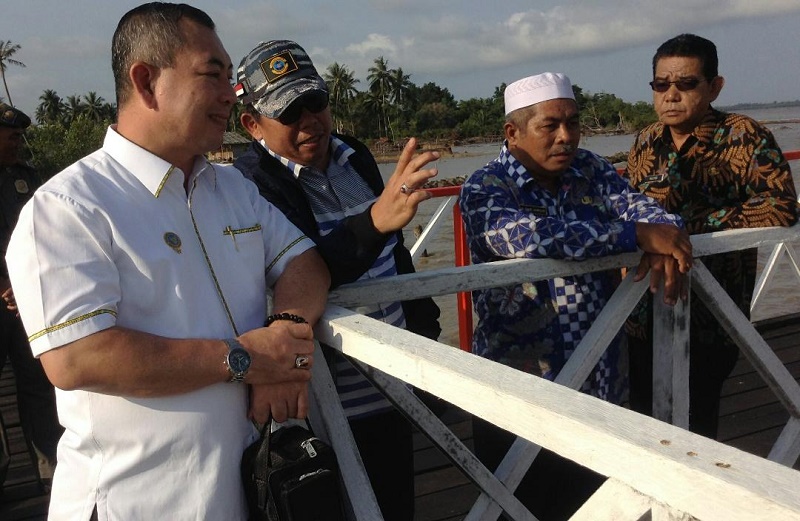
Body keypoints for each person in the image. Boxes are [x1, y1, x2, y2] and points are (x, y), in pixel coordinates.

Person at [5, 4, 330, 520]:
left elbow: (305, 263)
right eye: (212, 74)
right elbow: (77, 359)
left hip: (241, 495)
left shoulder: (232, 188)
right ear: (146, 82)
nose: (231, 93)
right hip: (136, 502)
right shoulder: (70, 208)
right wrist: (247, 359)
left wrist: (285, 334)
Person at [458, 72, 692, 520]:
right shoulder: (485, 186)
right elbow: (522, 236)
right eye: (550, 126)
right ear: (512, 132)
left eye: (573, 123)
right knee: (519, 506)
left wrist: (665, 234)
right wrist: (633, 236)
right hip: (521, 391)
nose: (566, 137)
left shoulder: (591, 170)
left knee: (602, 506)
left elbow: (643, 209)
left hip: (600, 385)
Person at [233, 39, 441, 521]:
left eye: (316, 102)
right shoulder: (251, 185)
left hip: (393, 380)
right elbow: (304, 274)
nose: (310, 121)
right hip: (322, 400)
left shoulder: (354, 156)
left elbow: (395, 252)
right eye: (289, 112)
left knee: (395, 506)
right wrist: (375, 221)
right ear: (252, 124)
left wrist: (425, 330)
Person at [625, 33, 799, 439]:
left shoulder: (744, 136)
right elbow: (626, 205)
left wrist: (687, 228)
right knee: (643, 418)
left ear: (714, 87)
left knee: (698, 424)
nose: (671, 95)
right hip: (640, 311)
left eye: (686, 84)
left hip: (713, 312)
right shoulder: (645, 141)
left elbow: (782, 206)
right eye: (661, 84)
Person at [0, 102, 63, 492]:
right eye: (11, 137)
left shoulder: (26, 178)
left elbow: (43, 232)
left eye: (20, 137)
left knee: (38, 383)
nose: (18, 143)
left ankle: (51, 470)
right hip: (6, 295)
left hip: (25, 301)